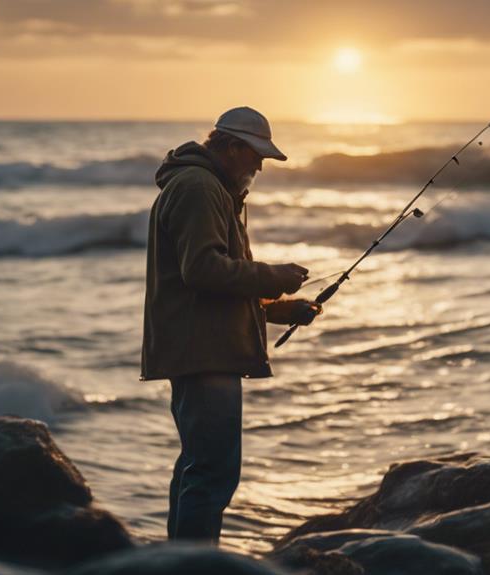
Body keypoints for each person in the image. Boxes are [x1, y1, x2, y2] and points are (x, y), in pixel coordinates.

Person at [141, 106, 321, 543]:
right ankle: (194, 565)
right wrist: (274, 276)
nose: (261, 165)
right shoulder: (200, 187)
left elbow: (212, 288)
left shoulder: (210, 187)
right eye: (256, 154)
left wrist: (280, 308)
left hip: (202, 346)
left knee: (198, 467)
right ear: (233, 147)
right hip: (203, 353)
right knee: (213, 471)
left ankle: (180, 561)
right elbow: (201, 270)